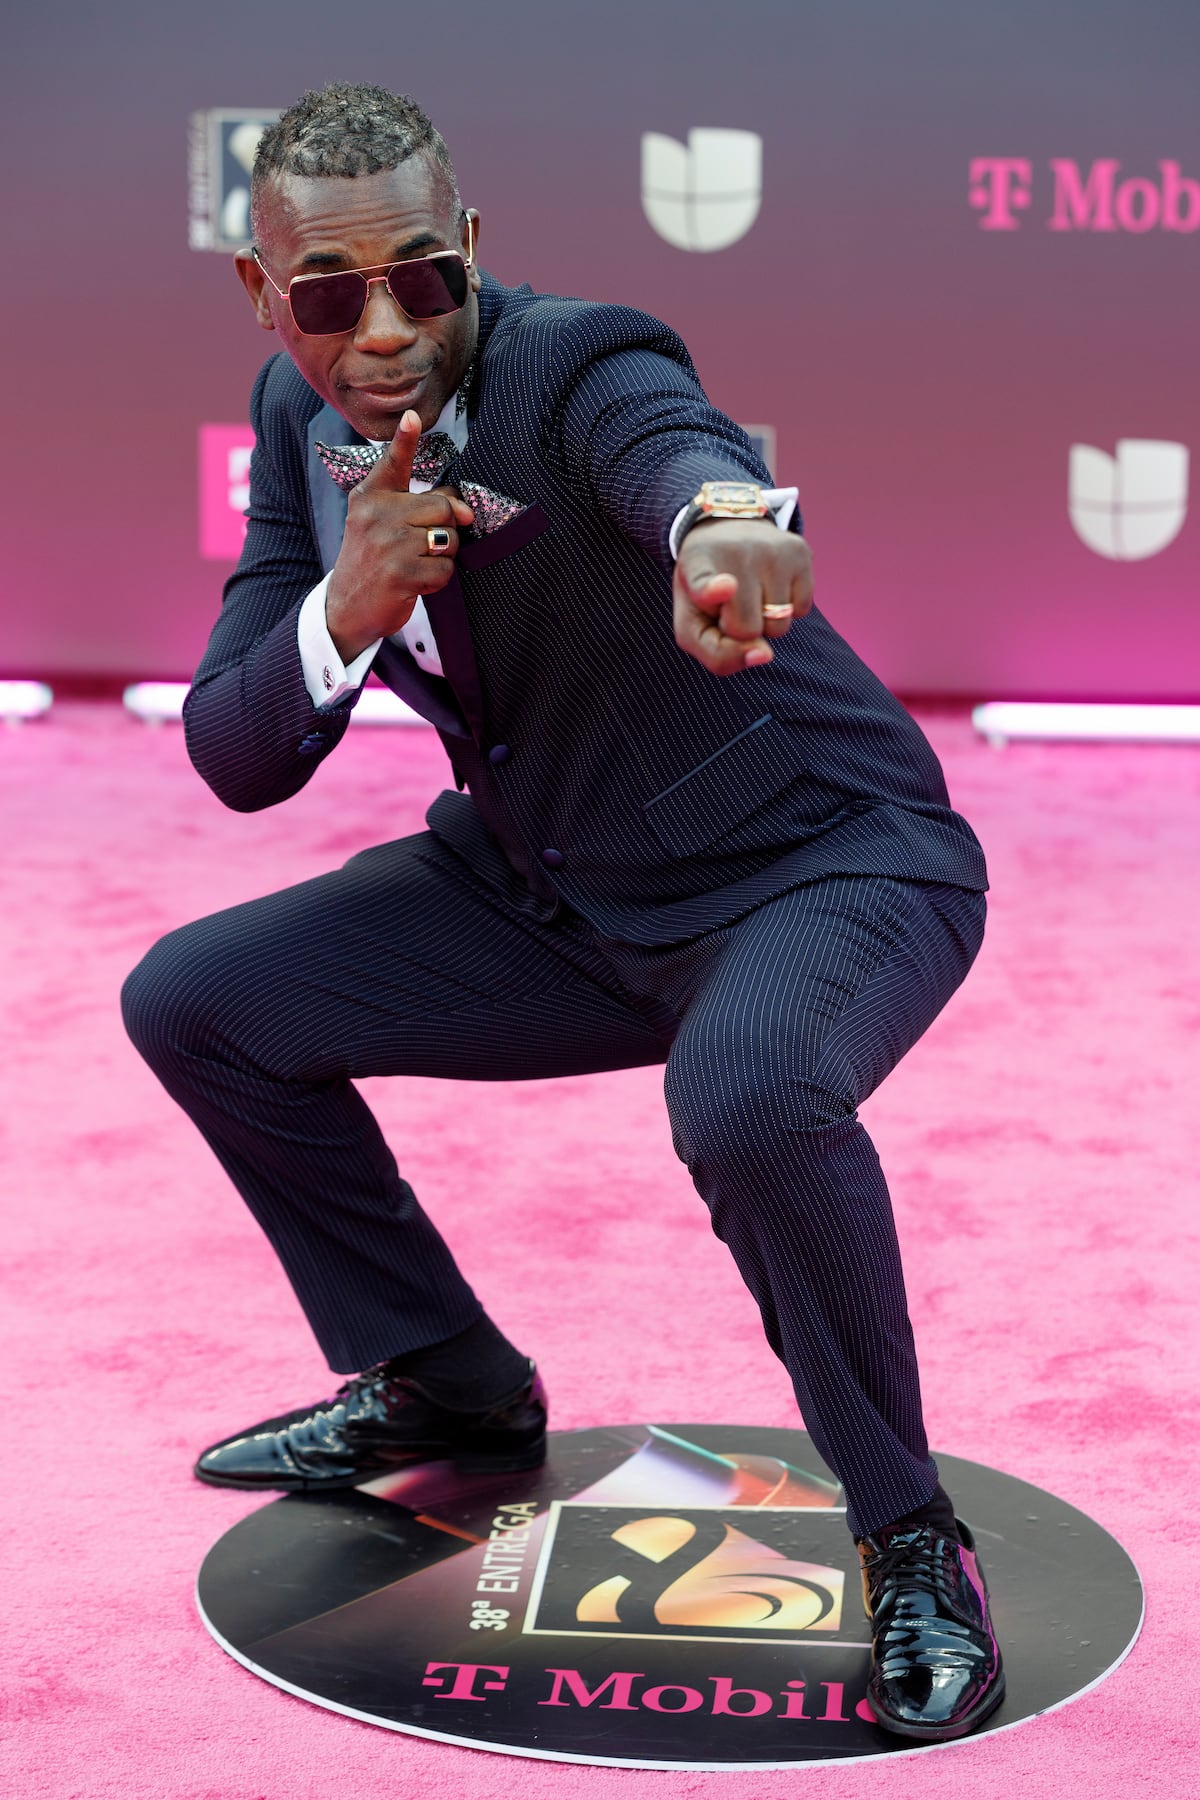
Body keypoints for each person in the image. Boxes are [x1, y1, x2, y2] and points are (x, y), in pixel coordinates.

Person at [122, 83, 1003, 1741]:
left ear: (469, 255)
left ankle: (907, 1535)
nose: (380, 331)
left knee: (746, 1097)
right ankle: (448, 1381)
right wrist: (344, 606)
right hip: (555, 889)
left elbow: (676, 451)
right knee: (195, 1000)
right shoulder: (293, 419)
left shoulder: (574, 361)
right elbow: (236, 747)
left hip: (820, 864)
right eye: (328, 296)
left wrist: (726, 530)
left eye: (419, 282)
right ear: (264, 296)